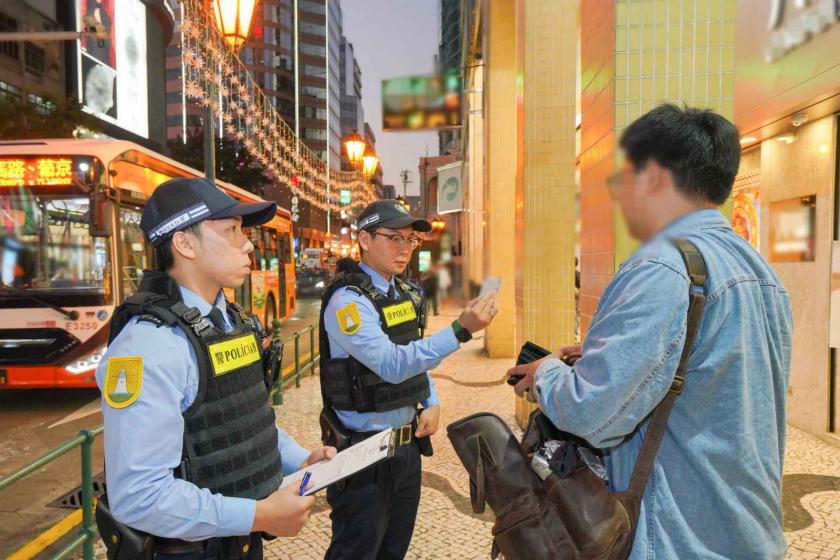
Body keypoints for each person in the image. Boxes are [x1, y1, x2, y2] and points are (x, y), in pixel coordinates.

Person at [508, 105, 792, 559]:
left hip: (679, 538)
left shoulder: (662, 266)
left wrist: (546, 373)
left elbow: (592, 413)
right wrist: (604, 357)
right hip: (747, 530)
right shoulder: (760, 271)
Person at [95, 178, 335, 559]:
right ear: (185, 244)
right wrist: (259, 515)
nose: (248, 244)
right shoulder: (148, 346)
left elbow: (244, 417)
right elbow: (139, 496)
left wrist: (299, 460)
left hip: (241, 542)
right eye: (231, 231)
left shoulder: (234, 322)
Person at [319, 199, 498, 559]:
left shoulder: (403, 294)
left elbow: (411, 349)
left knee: (393, 550)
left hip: (406, 448)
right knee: (356, 551)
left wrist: (430, 400)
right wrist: (460, 330)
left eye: (410, 240)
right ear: (365, 240)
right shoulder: (348, 301)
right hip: (362, 451)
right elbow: (392, 363)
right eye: (394, 238)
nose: (405, 249)